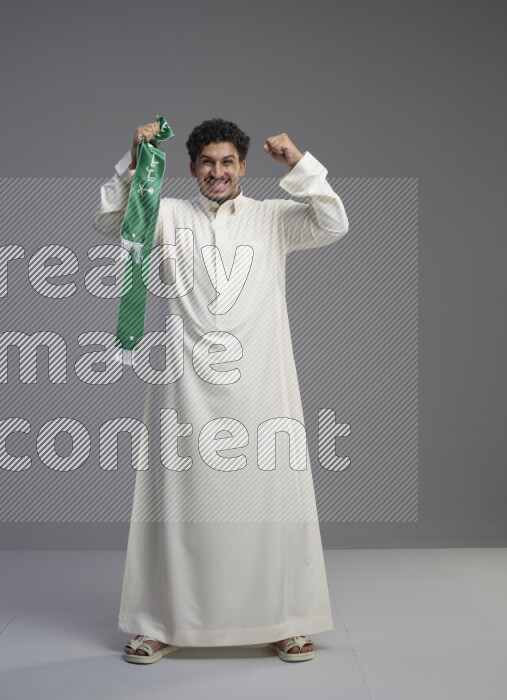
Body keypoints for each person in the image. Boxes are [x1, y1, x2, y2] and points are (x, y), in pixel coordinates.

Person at [92, 118, 350, 664]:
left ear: (243, 167)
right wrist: (133, 161)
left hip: (263, 386)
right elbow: (112, 223)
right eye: (207, 163)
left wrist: (299, 164)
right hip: (184, 389)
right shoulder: (168, 215)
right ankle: (158, 622)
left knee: (271, 500)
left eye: (228, 162)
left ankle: (286, 619)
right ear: (191, 169)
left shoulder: (272, 218)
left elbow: (333, 222)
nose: (218, 172)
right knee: (177, 505)